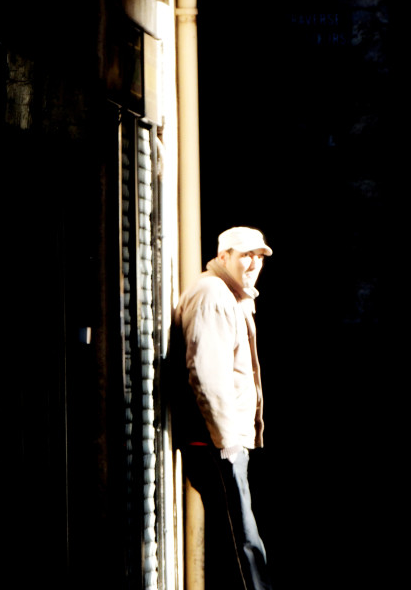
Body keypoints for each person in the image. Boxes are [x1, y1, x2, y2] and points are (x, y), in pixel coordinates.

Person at [171, 226, 274, 590]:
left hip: (221, 441)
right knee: (243, 538)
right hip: (217, 443)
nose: (253, 263)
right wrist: (228, 441)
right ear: (223, 255)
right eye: (245, 255)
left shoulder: (228, 295)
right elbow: (207, 375)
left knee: (236, 535)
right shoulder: (214, 295)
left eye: (259, 257)